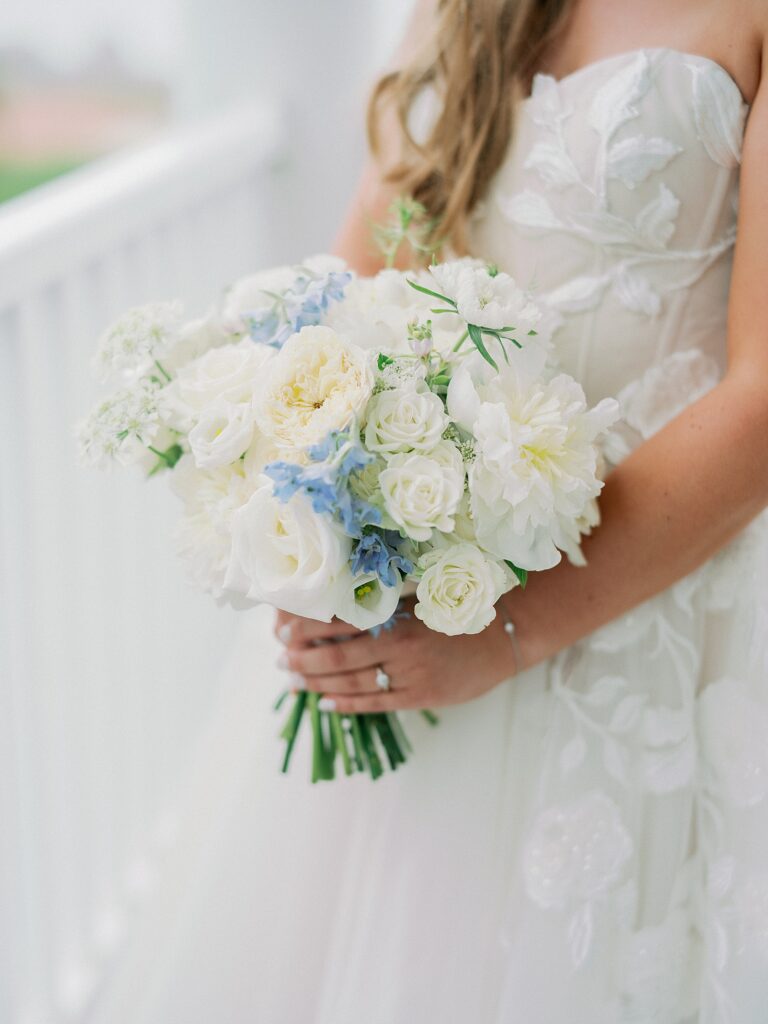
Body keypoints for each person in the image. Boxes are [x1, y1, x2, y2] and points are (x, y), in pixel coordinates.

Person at [140, 2, 768, 1021]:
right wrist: (314, 525)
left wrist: (507, 634)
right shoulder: (466, 10)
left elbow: (764, 399)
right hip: (429, 610)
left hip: (658, 612)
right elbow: (365, 277)